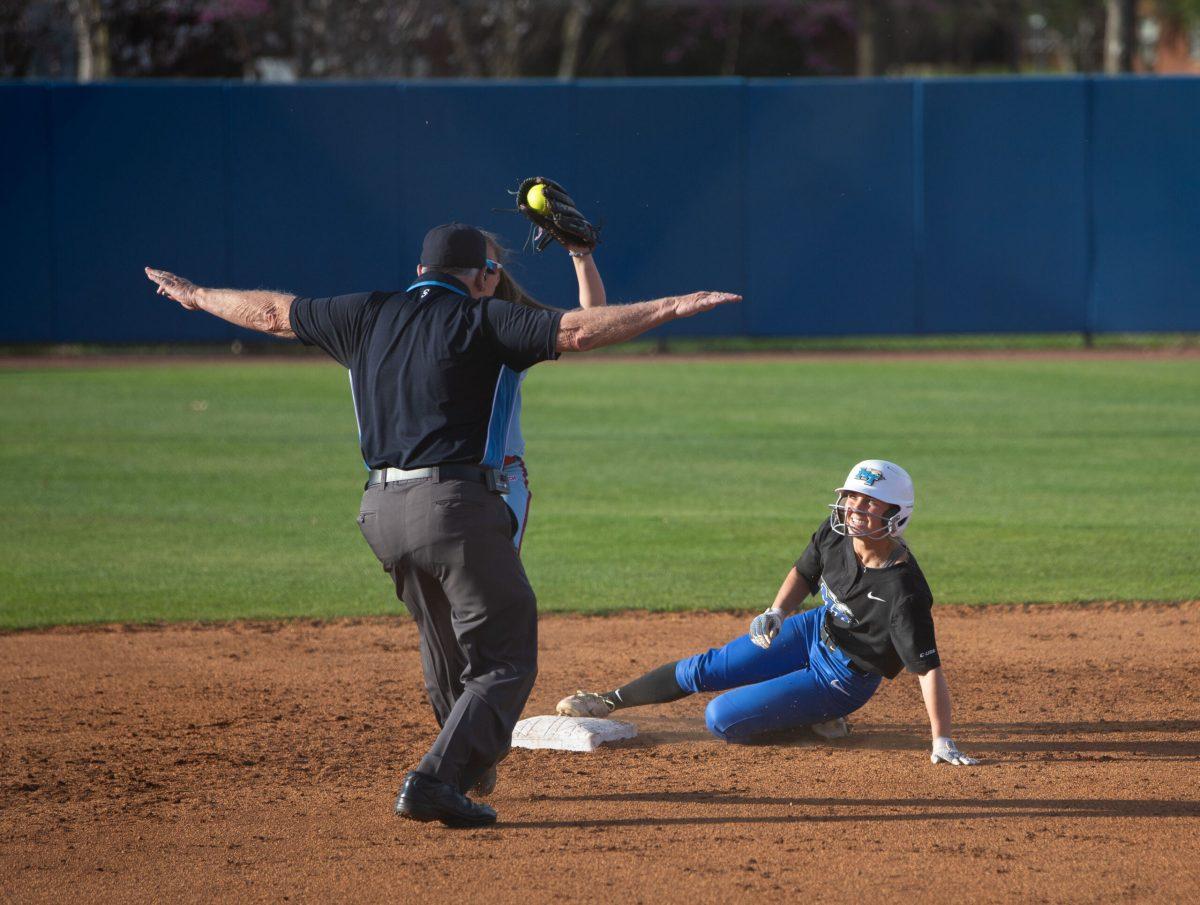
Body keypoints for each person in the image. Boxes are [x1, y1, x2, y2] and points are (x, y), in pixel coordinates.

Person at [145, 223, 739, 828]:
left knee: (443, 647)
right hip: (456, 505)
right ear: (483, 274)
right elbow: (580, 328)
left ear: (422, 268)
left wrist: (196, 295)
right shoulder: (485, 321)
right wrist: (673, 305)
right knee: (505, 657)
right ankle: (437, 778)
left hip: (380, 510)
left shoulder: (365, 313)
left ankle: (467, 764)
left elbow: (271, 312)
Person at [557, 459, 978, 767]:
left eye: (869, 502)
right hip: (814, 630)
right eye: (851, 496)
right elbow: (803, 572)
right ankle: (608, 701)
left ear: (895, 515)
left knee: (721, 719)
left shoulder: (902, 592)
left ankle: (825, 718)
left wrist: (942, 739)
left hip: (844, 676)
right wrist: (777, 612)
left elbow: (927, 670)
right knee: (705, 669)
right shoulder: (835, 534)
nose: (854, 508)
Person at [480, 231, 605, 554]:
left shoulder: (509, 326)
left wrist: (581, 254)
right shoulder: (415, 325)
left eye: (490, 265)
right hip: (433, 477)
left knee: (495, 584)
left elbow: (592, 322)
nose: (482, 273)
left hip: (501, 474)